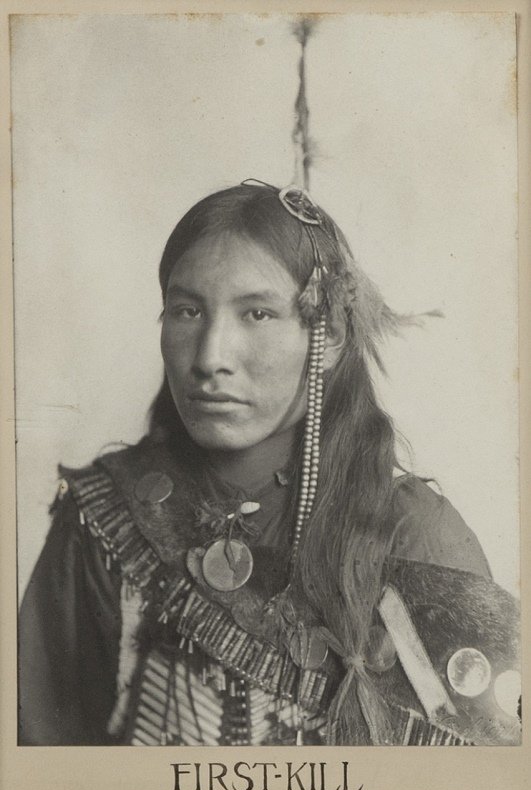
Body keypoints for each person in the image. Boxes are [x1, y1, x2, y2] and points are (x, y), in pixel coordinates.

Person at [18, 182, 520, 747]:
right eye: (187, 311)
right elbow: (38, 759)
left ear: (328, 337)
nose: (210, 358)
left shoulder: (414, 538)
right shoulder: (109, 521)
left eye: (257, 313)